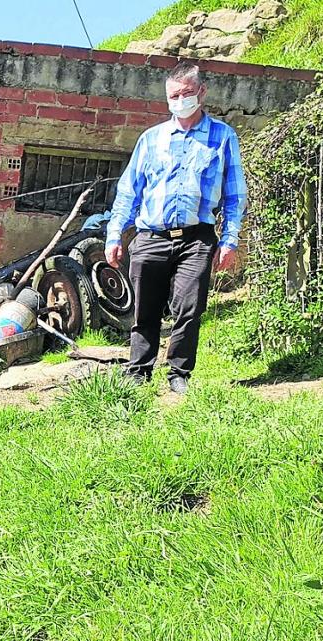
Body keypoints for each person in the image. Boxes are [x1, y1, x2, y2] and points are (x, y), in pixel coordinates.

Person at [106, 61, 247, 395]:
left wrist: (229, 240)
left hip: (196, 238)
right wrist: (114, 234)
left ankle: (179, 373)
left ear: (201, 92)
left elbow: (234, 194)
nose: (180, 100)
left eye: (186, 93)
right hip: (151, 236)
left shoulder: (222, 137)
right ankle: (138, 370)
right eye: (173, 95)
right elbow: (129, 191)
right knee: (145, 307)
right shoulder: (151, 139)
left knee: (188, 307)